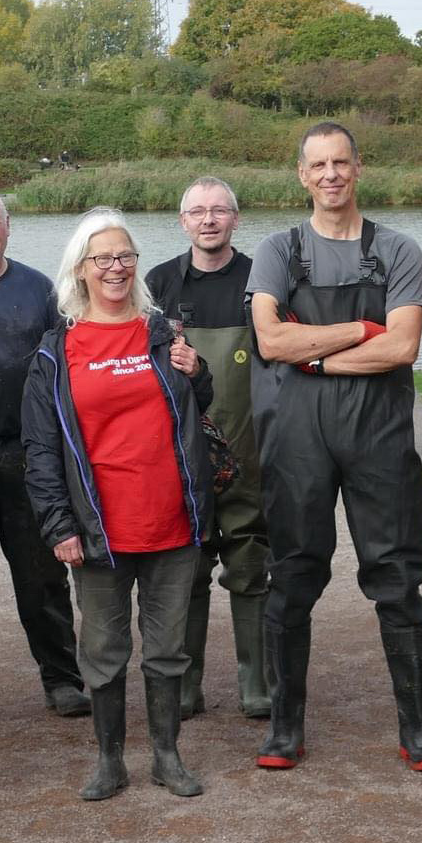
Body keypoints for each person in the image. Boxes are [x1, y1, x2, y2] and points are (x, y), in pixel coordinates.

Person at [249, 122, 422, 773]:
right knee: (292, 575)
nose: (331, 174)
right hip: (298, 437)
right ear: (302, 175)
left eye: (341, 162)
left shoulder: (396, 249)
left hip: (379, 435)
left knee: (398, 579)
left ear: (359, 168)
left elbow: (403, 346)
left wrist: (316, 358)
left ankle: (418, 729)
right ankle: (284, 729)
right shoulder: (277, 251)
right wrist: (361, 328)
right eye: (318, 165)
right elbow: (271, 341)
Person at [24, 207, 216, 800]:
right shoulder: (57, 350)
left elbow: (197, 406)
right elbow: (41, 449)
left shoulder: (164, 333)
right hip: (98, 529)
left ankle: (166, 756)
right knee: (103, 652)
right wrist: (58, 525)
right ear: (80, 269)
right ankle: (110, 760)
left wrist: (198, 370)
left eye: (125, 256)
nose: (116, 267)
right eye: (102, 258)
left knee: (167, 651)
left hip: (172, 521)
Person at [0, 187, 88, 719]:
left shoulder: (39, 289)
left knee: (42, 577)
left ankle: (61, 678)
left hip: (29, 453)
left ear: (8, 226)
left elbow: (66, 369)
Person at [146, 176, 271, 720]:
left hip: (249, 448)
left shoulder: (261, 281)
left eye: (219, 211)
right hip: (181, 455)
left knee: (250, 567)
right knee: (187, 570)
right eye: (197, 212)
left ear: (236, 219)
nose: (209, 220)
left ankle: (257, 685)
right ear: (183, 222)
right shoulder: (157, 283)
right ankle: (184, 687)